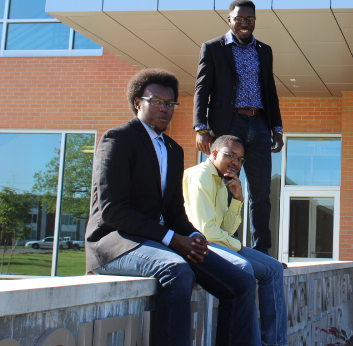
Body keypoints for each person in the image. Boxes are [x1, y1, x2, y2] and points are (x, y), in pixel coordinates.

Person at [85, 69, 262, 346]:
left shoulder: (173, 149)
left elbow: (174, 212)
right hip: (116, 242)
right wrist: (171, 238)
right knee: (177, 270)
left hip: (158, 241)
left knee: (241, 283)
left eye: (170, 104)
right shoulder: (118, 140)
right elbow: (113, 211)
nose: (164, 108)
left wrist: (194, 236)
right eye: (156, 101)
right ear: (138, 103)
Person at [194, 0, 283, 255]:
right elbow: (202, 88)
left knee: (261, 192)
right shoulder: (213, 48)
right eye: (239, 19)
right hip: (229, 124)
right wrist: (201, 127)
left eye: (250, 19)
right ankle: (227, 247)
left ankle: (262, 252)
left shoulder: (264, 50)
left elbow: (270, 90)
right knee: (226, 186)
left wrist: (276, 128)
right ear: (229, 20)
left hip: (260, 123)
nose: (245, 23)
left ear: (255, 21)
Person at [183, 135, 287, 346]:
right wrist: (239, 246)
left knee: (274, 269)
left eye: (240, 159)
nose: (236, 163)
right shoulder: (200, 176)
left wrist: (237, 199)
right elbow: (206, 232)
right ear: (213, 153)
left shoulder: (222, 182)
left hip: (217, 244)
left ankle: (275, 342)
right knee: (243, 267)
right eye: (230, 155)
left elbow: (226, 230)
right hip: (198, 246)